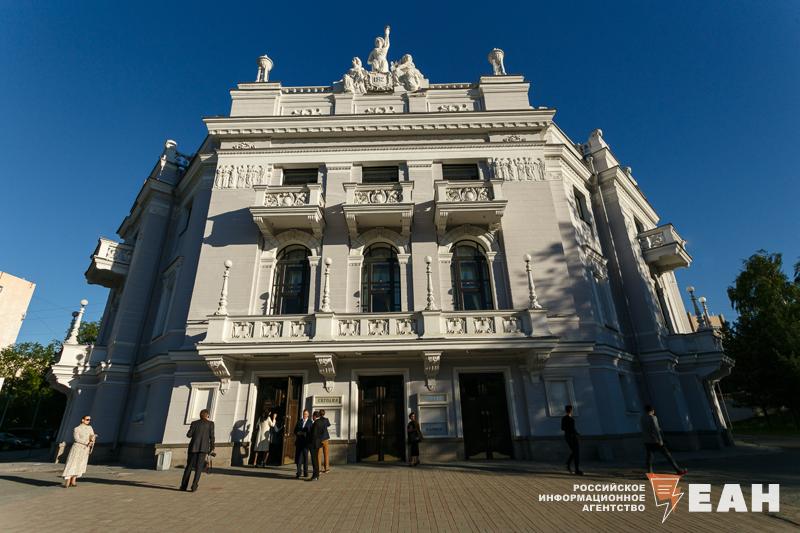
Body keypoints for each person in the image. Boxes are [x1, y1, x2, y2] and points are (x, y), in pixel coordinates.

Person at [642, 405, 688, 475]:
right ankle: (678, 470)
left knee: (649, 457)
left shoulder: (642, 418)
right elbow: (656, 429)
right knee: (668, 455)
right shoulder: (653, 417)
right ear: (652, 411)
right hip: (655, 440)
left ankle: (650, 472)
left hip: (647, 440)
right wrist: (660, 440)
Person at [180, 409, 215, 492]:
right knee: (199, 468)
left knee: (189, 467)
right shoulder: (210, 424)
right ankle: (194, 486)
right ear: (207, 415)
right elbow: (212, 437)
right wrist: (212, 448)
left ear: (200, 415)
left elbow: (189, 435)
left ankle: (183, 486)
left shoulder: (194, 423)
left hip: (193, 448)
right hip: (203, 449)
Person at [62, 415, 96, 488]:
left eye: (89, 420)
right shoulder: (77, 428)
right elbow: (76, 439)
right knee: (72, 463)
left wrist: (92, 440)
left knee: (80, 464)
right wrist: (86, 442)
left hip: (85, 449)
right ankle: (67, 481)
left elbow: (92, 435)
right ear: (82, 420)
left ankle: (73, 481)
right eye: (87, 419)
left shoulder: (90, 428)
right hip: (77, 448)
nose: (89, 421)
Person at [561, 405, 583, 476]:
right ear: (570, 410)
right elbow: (565, 428)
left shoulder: (566, 418)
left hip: (570, 436)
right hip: (571, 437)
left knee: (575, 452)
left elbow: (563, 428)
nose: (571, 411)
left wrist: (576, 433)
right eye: (571, 409)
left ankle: (569, 464)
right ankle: (576, 469)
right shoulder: (567, 418)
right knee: (576, 452)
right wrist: (574, 432)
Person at [294, 409, 312, 479]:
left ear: (308, 415)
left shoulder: (310, 422)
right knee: (299, 458)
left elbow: (311, 432)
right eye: (304, 414)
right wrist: (298, 433)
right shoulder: (299, 421)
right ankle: (298, 473)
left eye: (306, 414)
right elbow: (295, 430)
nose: (305, 415)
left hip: (306, 443)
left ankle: (305, 473)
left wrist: (305, 434)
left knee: (305, 458)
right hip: (299, 442)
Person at [309, 411, 326, 481]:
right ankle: (316, 475)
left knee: (314, 460)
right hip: (318, 443)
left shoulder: (316, 423)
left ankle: (315, 476)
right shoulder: (322, 422)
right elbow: (323, 433)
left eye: (312, 416)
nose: (312, 418)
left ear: (315, 416)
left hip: (314, 444)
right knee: (316, 460)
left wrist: (310, 443)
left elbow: (314, 434)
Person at [318, 409, 331, 474]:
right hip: (325, 438)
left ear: (319, 414)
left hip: (319, 439)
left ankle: (319, 469)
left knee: (319, 455)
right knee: (326, 454)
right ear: (324, 414)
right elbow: (328, 425)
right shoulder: (326, 420)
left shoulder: (318, 421)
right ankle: (327, 469)